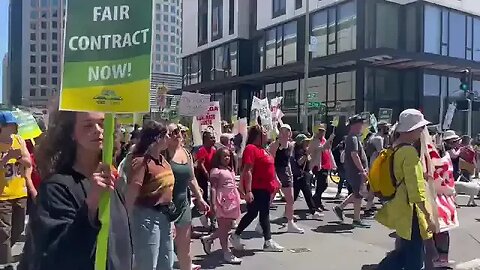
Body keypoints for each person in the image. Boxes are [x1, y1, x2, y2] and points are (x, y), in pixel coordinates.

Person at [31, 111, 132, 270]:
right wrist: (91, 205)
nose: (98, 130)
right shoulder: (56, 187)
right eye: (88, 125)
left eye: (102, 123)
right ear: (71, 133)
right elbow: (57, 254)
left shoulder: (115, 182)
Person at [376, 109, 436, 270]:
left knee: (403, 253)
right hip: (412, 211)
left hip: (400, 207)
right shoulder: (409, 152)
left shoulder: (395, 148)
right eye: (420, 128)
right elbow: (415, 189)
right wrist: (428, 216)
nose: (422, 131)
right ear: (411, 129)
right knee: (414, 260)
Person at [125, 120, 176, 270]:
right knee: (147, 263)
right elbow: (132, 192)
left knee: (166, 262)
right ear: (157, 138)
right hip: (146, 217)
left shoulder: (163, 161)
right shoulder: (141, 162)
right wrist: (126, 220)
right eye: (166, 135)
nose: (169, 138)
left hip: (165, 217)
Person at [230, 125, 284, 252]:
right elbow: (248, 170)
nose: (267, 134)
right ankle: (267, 241)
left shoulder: (263, 149)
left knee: (253, 213)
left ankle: (236, 235)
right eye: (264, 132)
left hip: (266, 187)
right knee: (263, 213)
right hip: (257, 187)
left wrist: (276, 181)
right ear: (258, 135)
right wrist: (248, 191)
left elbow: (270, 167)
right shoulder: (251, 148)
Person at [165, 123, 209, 270]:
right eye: (172, 133)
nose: (177, 134)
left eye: (177, 131)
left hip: (183, 204)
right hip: (165, 207)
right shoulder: (162, 154)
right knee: (165, 249)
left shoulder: (186, 152)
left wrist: (200, 198)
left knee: (185, 248)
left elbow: (191, 179)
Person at [0, 112, 33, 270]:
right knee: (4, 232)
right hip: (2, 195)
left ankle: (2, 253)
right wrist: (5, 159)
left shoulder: (19, 141)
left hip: (20, 192)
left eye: (14, 125)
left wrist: (18, 157)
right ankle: (5, 264)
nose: (13, 128)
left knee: (19, 228)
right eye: (9, 126)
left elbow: (28, 161)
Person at [200, 147, 242, 264]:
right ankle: (226, 252)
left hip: (232, 200)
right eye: (224, 156)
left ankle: (209, 239)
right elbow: (213, 188)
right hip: (222, 200)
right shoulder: (216, 171)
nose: (227, 158)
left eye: (228, 156)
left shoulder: (229, 169)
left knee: (227, 227)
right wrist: (213, 203)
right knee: (224, 228)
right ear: (218, 157)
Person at [333, 115, 371, 228]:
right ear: (355, 125)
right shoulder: (353, 138)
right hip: (355, 171)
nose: (362, 126)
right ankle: (356, 219)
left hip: (355, 170)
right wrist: (362, 170)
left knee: (357, 193)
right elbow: (354, 155)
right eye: (360, 124)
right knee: (359, 195)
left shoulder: (353, 137)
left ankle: (340, 207)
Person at [269, 124, 304, 233]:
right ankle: (261, 223)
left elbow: (288, 161)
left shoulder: (290, 145)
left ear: (290, 134)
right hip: (275, 173)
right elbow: (270, 163)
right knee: (268, 200)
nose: (284, 134)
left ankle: (290, 223)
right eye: (282, 131)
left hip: (286, 173)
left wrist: (290, 173)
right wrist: (275, 177)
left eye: (286, 131)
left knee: (290, 199)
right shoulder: (274, 145)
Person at [292, 134, 323, 219]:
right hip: (300, 175)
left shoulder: (302, 150)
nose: (307, 143)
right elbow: (299, 162)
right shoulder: (299, 152)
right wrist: (305, 155)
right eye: (306, 141)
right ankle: (313, 212)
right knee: (306, 194)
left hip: (302, 175)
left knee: (298, 195)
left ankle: (288, 212)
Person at [309, 124, 335, 210]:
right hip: (318, 165)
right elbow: (322, 148)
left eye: (323, 131)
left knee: (322, 185)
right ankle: (315, 200)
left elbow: (328, 149)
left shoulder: (323, 139)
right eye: (320, 130)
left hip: (325, 164)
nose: (322, 132)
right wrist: (330, 139)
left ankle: (317, 201)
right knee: (322, 184)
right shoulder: (314, 141)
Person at [195, 131, 217, 229]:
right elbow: (201, 164)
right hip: (203, 177)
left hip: (212, 176)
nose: (214, 140)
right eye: (211, 138)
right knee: (205, 198)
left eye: (214, 138)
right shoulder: (202, 150)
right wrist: (206, 174)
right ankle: (205, 216)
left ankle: (212, 219)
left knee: (213, 198)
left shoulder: (214, 149)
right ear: (206, 140)